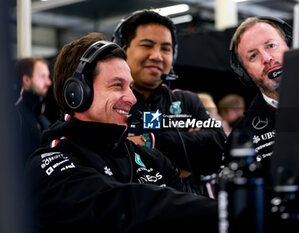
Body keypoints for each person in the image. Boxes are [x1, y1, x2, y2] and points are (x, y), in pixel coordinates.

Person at [24, 32, 218, 233]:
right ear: (77, 94)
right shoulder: (49, 163)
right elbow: (117, 205)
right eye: (118, 85)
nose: (132, 98)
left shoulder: (152, 159)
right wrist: (224, 212)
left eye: (130, 87)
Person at [112, 10, 227, 196]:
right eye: (147, 45)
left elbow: (217, 149)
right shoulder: (108, 103)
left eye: (165, 48)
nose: (157, 56)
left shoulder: (187, 102)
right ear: (122, 50)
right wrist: (182, 157)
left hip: (188, 215)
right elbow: (105, 157)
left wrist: (148, 141)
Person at [226, 16, 292, 177]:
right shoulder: (241, 136)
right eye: (253, 56)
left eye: (271, 45)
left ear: (291, 47)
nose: (267, 59)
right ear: (245, 73)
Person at [15, 57, 52, 163]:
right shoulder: (16, 115)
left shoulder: (41, 113)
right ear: (26, 80)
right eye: (42, 77)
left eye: (48, 76)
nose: (48, 82)